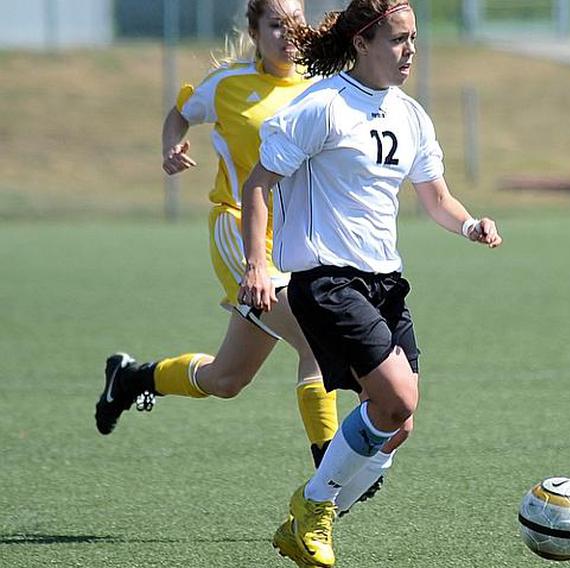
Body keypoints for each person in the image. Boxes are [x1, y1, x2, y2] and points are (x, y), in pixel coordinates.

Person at [92, 0, 386, 514]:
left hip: (294, 242)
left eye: (294, 24)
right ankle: (328, 463)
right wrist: (170, 147)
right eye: (275, 24)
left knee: (226, 379)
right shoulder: (227, 85)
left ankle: (133, 378)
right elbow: (180, 114)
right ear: (254, 30)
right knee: (316, 340)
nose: (286, 35)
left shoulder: (319, 88)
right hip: (236, 229)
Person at [238, 1, 502, 565]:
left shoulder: (410, 115)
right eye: (398, 39)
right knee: (396, 397)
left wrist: (470, 224)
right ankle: (314, 511)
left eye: (414, 39)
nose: (410, 51)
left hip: (385, 282)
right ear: (362, 43)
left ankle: (308, 515)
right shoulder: (323, 106)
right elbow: (258, 185)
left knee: (398, 423)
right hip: (325, 278)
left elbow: (436, 198)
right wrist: (257, 265)